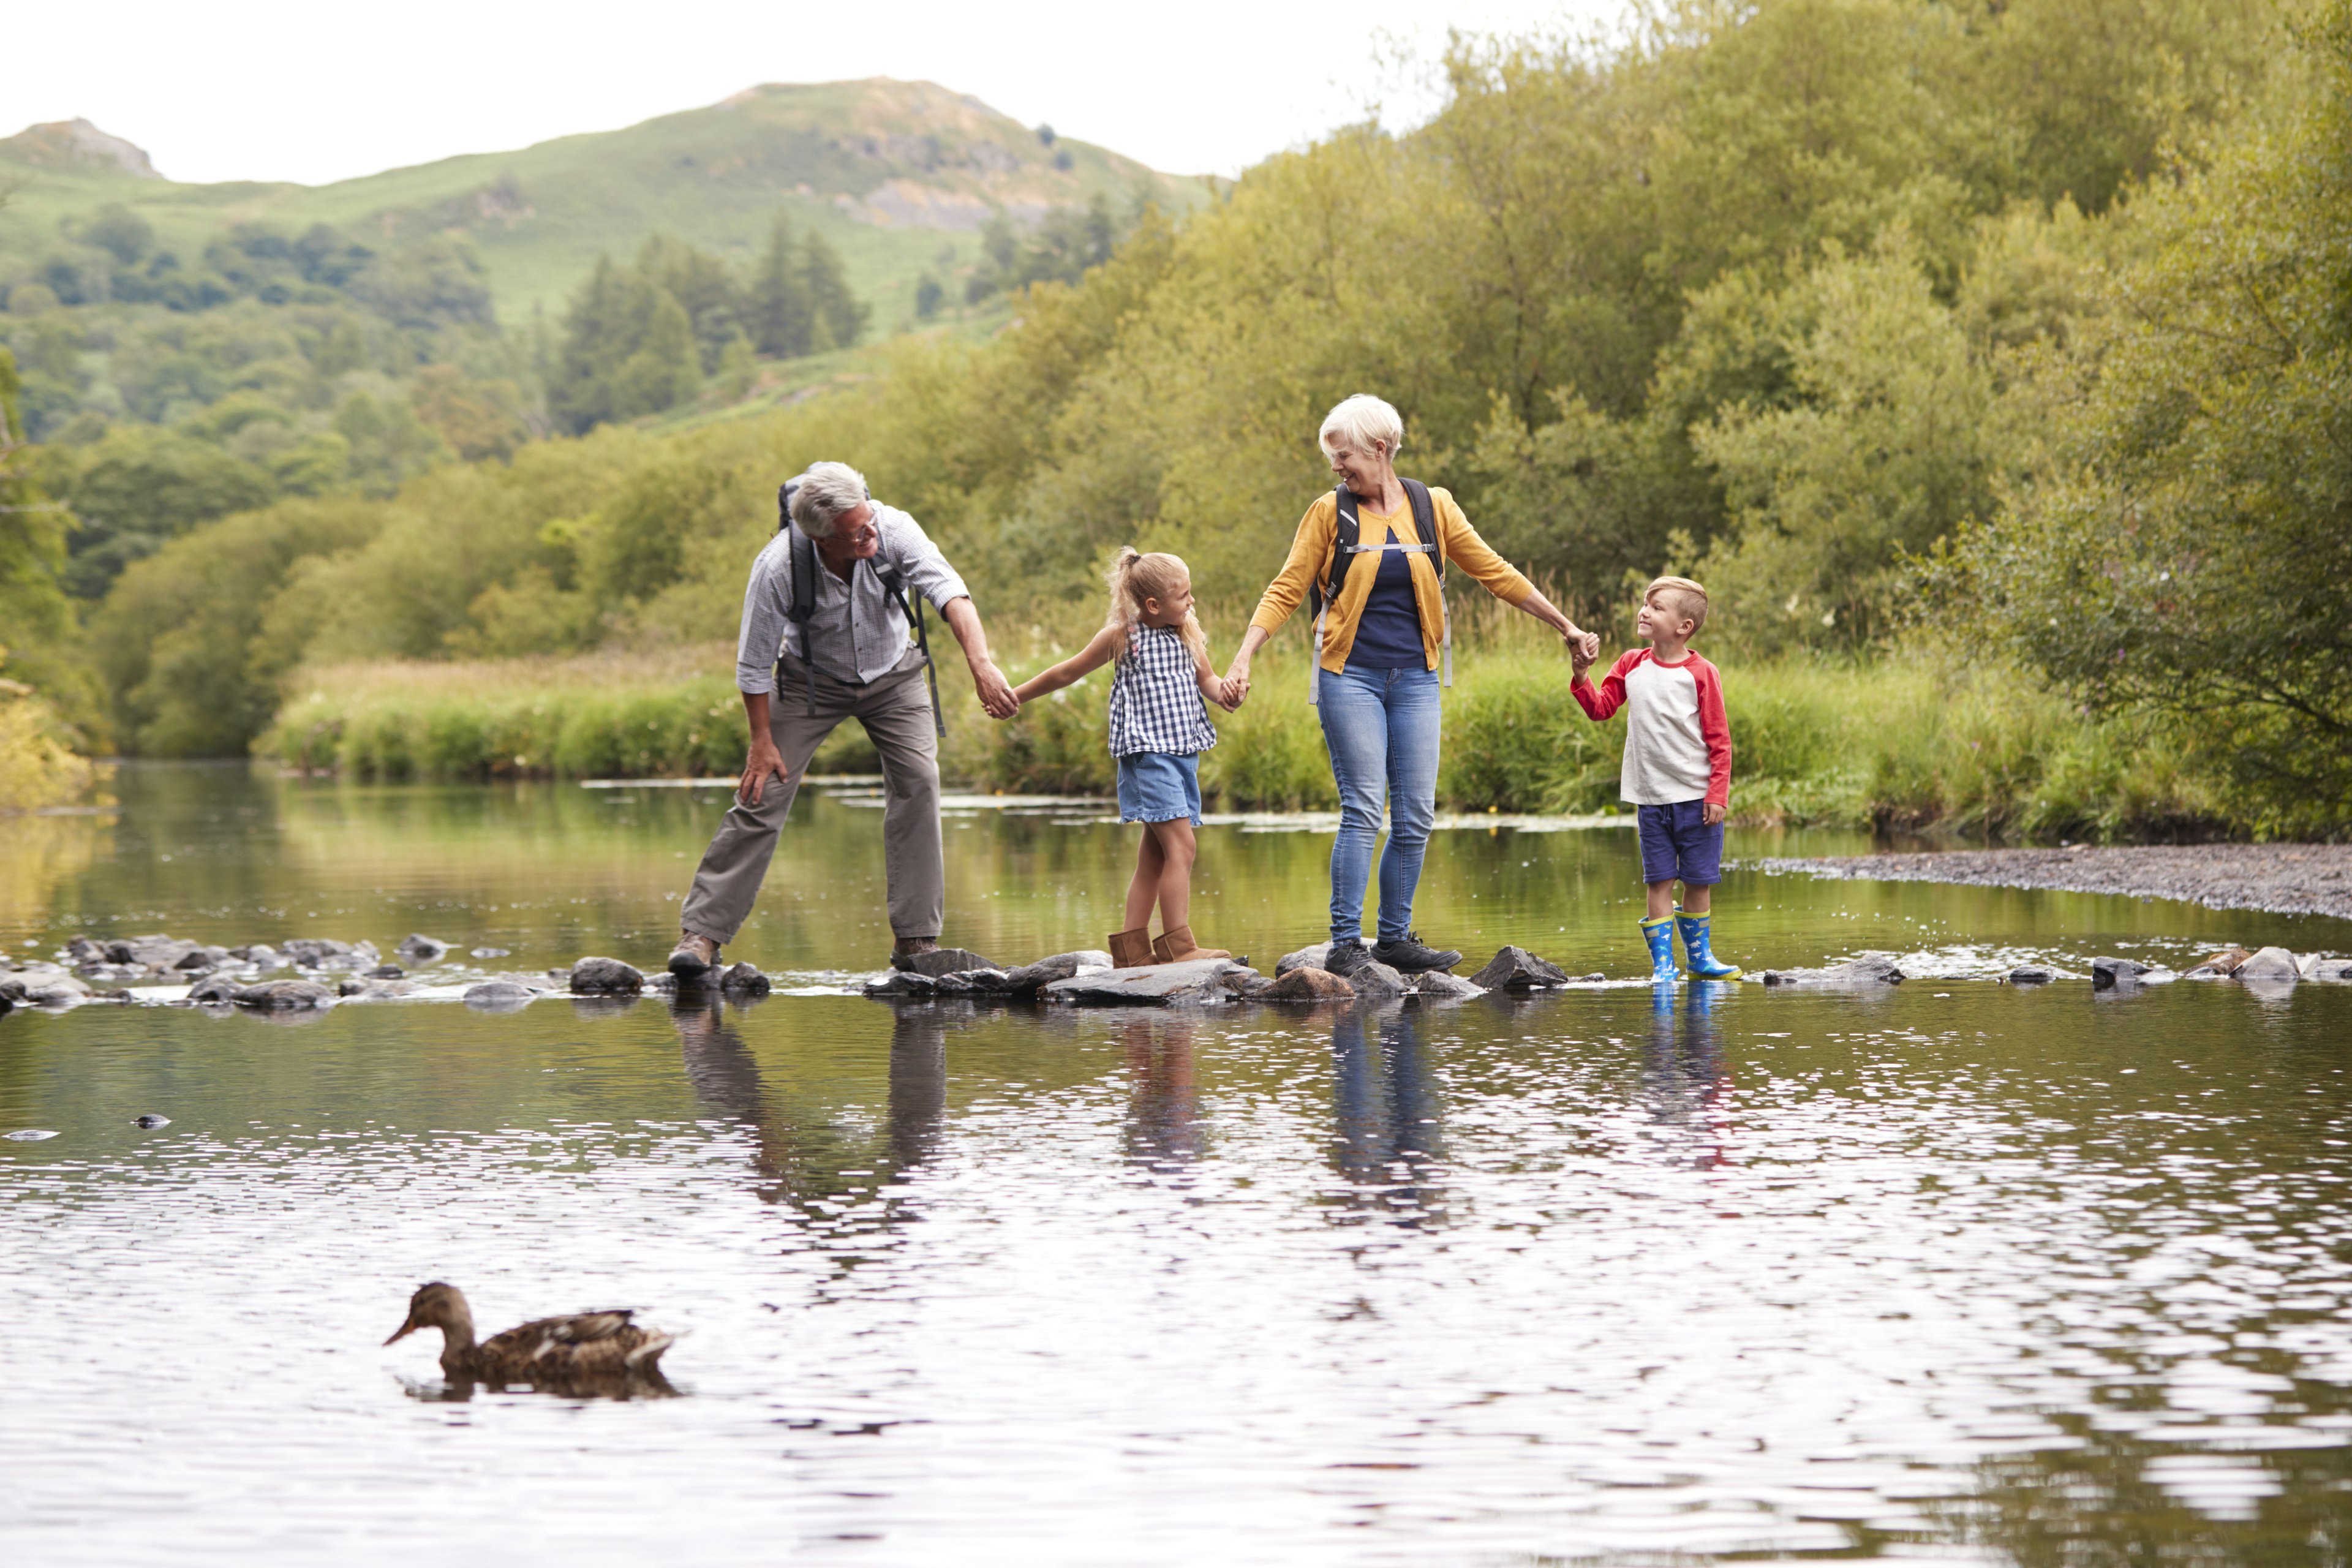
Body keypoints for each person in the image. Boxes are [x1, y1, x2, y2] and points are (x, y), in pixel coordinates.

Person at [1224, 394, 1599, 976]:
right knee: (1364, 808)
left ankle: (1395, 938)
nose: (1336, 468)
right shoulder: (1329, 512)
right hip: (1349, 677)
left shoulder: (1433, 506)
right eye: (1332, 459)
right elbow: (1287, 588)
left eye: (1343, 455)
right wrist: (1246, 653)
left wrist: (1566, 626)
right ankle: (1346, 944)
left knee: (1418, 812)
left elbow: (1495, 571)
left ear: (1380, 448)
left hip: (1417, 679)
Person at [668, 461, 1019, 978]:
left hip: (895, 676)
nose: (870, 532)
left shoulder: (893, 527)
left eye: (868, 519)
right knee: (762, 793)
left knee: (919, 784)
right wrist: (761, 740)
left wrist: (982, 664)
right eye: (856, 531)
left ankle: (916, 942)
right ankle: (701, 935)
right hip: (810, 684)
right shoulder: (777, 568)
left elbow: (952, 595)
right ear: (821, 538)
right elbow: (752, 664)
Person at [1012, 548, 1235, 968]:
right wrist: (1016, 695)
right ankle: (1178, 945)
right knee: (1182, 848)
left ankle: (1132, 952)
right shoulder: (1122, 637)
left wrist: (1227, 694)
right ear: (1153, 605)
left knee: (1155, 855)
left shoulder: (1187, 631)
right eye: (1184, 595)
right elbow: (1067, 672)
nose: (1192, 602)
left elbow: (1207, 679)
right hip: (1147, 757)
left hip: (1182, 754)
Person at [1568, 575, 1741, 982]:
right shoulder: (1631, 664)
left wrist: (1718, 794)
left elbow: (1720, 740)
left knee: (1698, 881)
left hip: (1697, 800)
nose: (1644, 611)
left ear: (1685, 626)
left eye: (1657, 606)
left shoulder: (1702, 673)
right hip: (1651, 800)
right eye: (1645, 604)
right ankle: (1664, 967)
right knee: (1659, 879)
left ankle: (1700, 959)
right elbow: (1600, 708)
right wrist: (1580, 676)